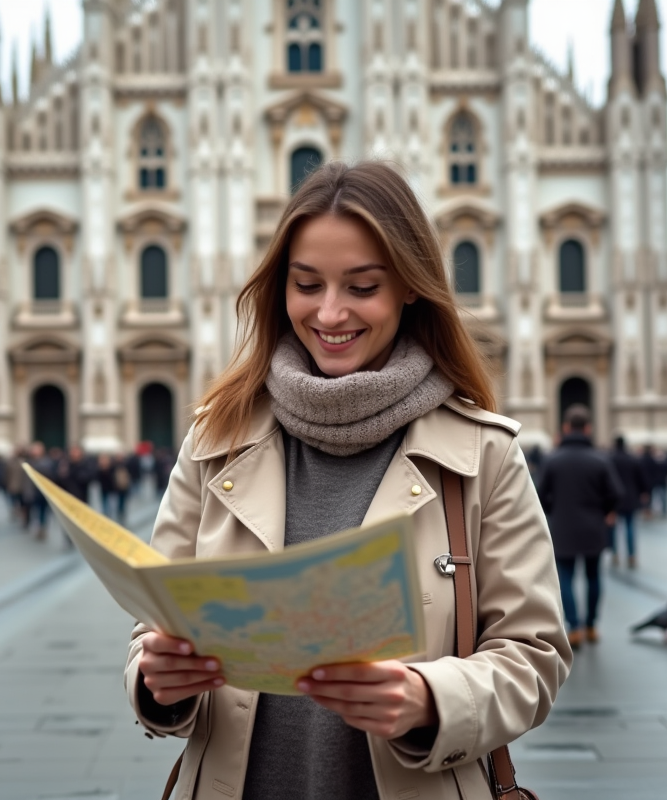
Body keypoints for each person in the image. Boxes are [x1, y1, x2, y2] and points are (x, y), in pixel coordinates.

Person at [126, 162, 570, 800]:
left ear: (410, 288)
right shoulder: (215, 439)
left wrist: (428, 700)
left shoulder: (481, 453)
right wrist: (156, 681)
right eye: (307, 284)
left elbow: (535, 657)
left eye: (362, 287)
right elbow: (152, 628)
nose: (329, 313)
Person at [538, 406, 622, 646]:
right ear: (588, 429)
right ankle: (592, 625)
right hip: (594, 527)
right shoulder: (600, 460)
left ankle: (573, 627)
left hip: (563, 528)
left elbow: (540, 496)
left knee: (565, 577)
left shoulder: (552, 460)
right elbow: (616, 494)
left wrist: (555, 512)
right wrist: (606, 512)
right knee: (594, 576)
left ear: (565, 428)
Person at [609, 435, 649, 568]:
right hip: (631, 497)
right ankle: (631, 555)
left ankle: (614, 553)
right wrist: (644, 492)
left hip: (614, 499)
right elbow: (641, 478)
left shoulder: (610, 459)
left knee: (613, 528)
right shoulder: (632, 458)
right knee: (630, 527)